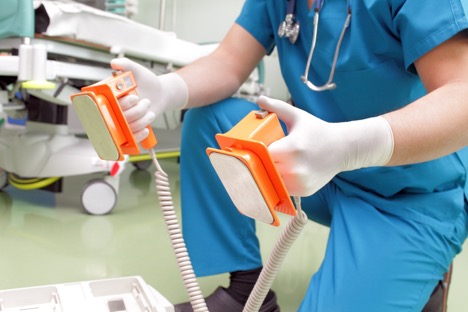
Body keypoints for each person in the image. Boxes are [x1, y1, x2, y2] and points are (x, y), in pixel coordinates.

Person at [110, 0, 468, 311]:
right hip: (314, 167)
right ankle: (246, 290)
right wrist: (168, 89)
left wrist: (351, 145)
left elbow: (462, 96)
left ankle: (421, 281)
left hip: (406, 195)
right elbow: (229, 62)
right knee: (212, 121)